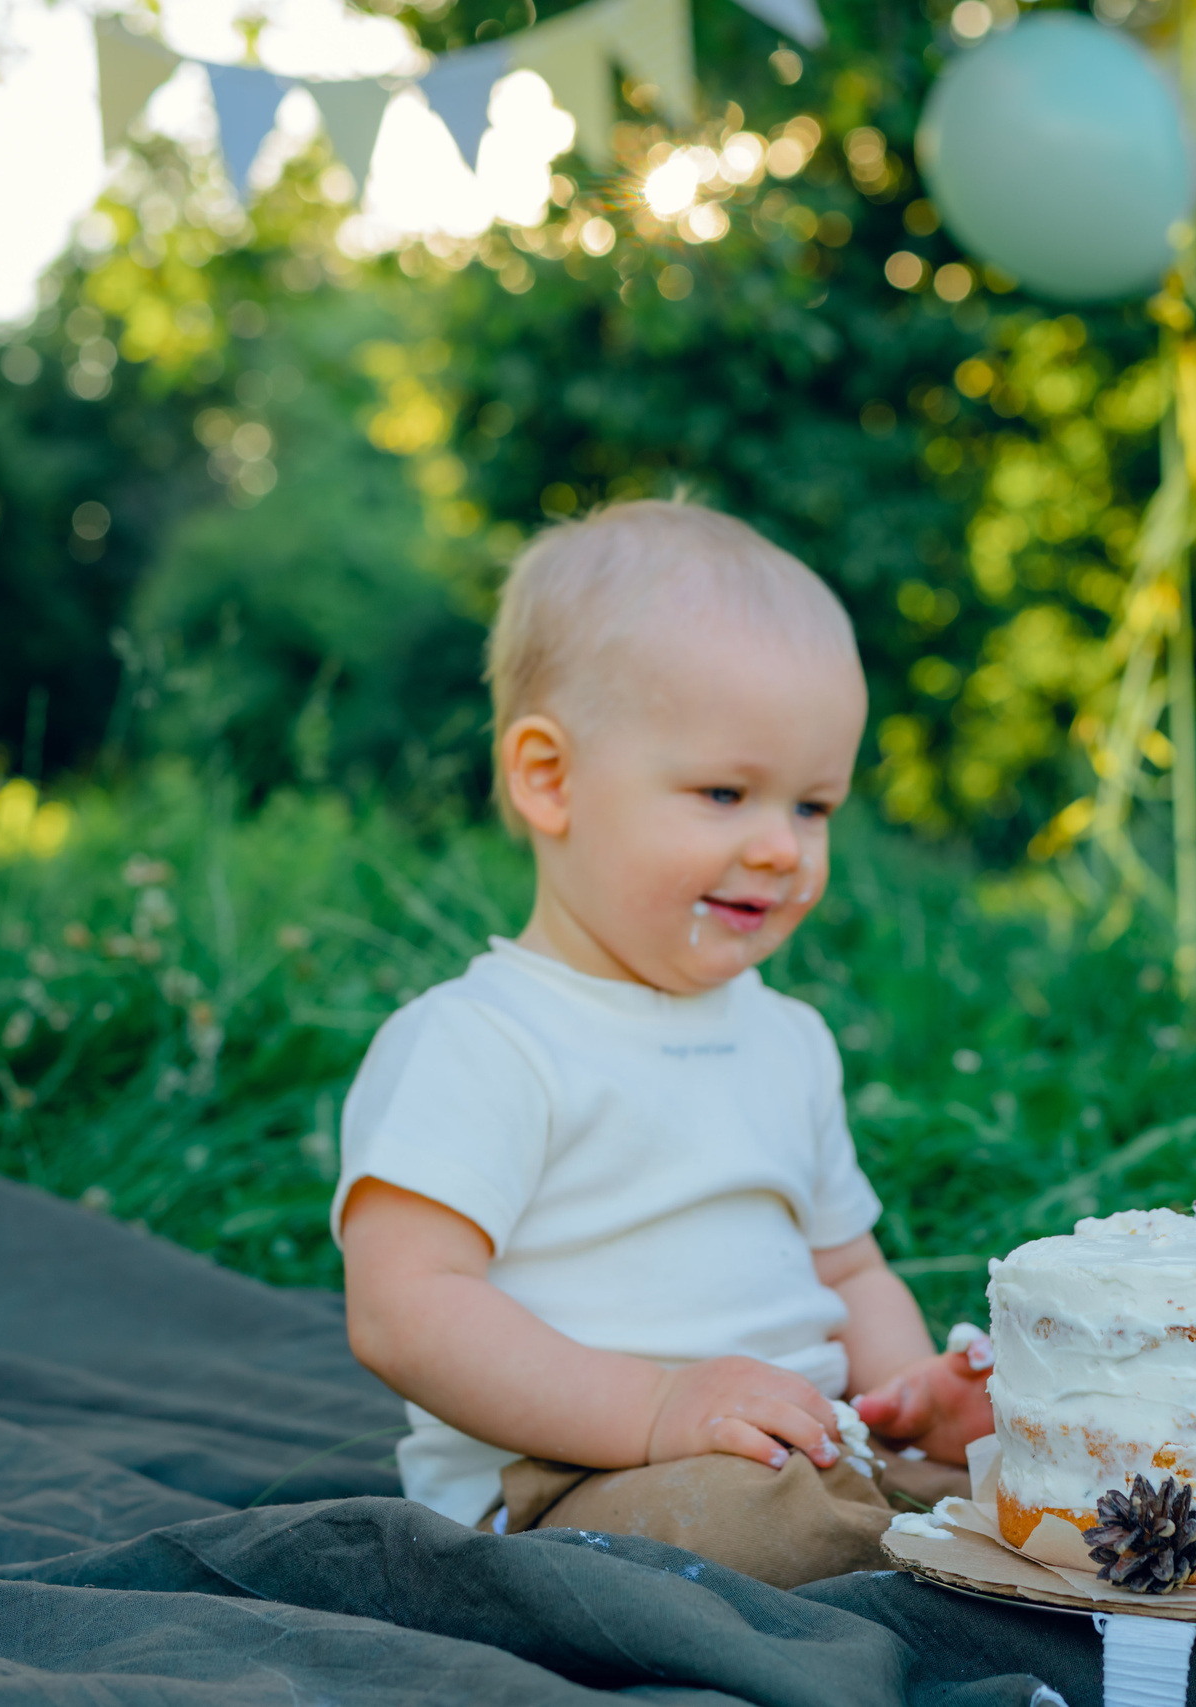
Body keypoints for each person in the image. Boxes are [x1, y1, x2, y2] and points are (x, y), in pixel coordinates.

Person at [332, 500, 990, 1587]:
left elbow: (849, 1266)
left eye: (813, 806)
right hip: (572, 1476)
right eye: (725, 793)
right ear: (550, 779)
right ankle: (917, 1575)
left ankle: (946, 1553)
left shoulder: (787, 1039)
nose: (780, 848)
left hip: (810, 1449)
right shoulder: (483, 1040)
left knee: (1035, 1490)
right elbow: (404, 1311)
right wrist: (654, 1406)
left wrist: (911, 1393)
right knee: (756, 1528)